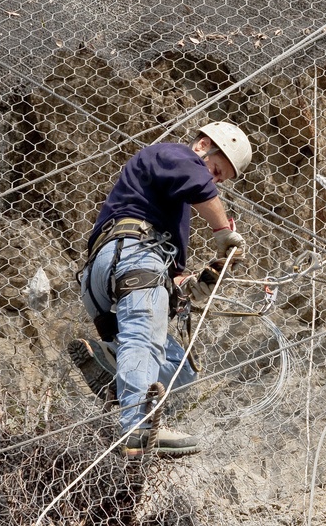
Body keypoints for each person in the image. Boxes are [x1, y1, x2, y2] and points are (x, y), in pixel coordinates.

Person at [67, 121, 252, 457]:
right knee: (144, 342)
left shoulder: (169, 205)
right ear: (203, 145)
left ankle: (112, 368)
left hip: (107, 277)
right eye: (215, 170)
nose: (214, 181)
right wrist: (223, 231)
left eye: (220, 179)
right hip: (131, 256)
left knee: (181, 369)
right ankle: (136, 427)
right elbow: (195, 180)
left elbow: (172, 279)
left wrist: (193, 287)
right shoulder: (172, 154)